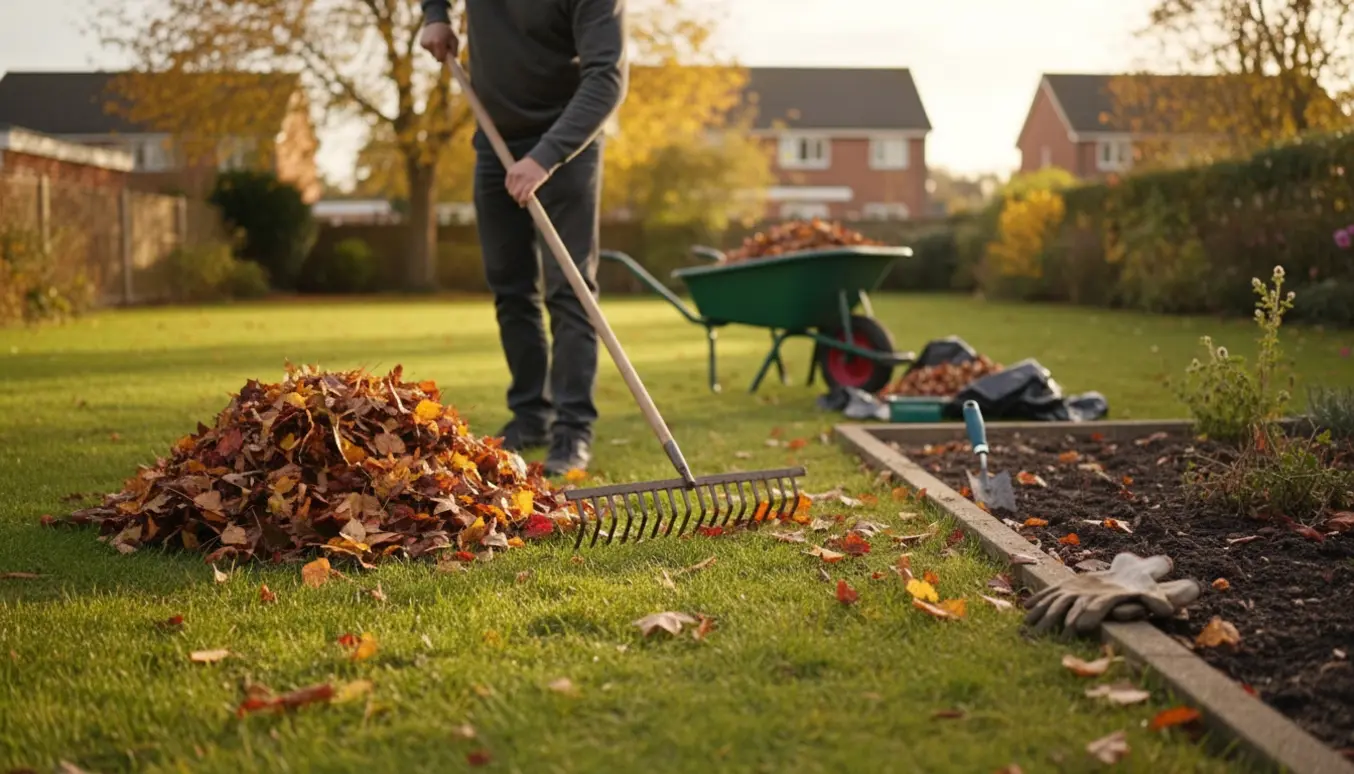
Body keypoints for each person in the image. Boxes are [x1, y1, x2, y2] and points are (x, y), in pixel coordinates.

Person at [419, 0, 628, 476]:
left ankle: (573, 431)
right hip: (495, 138)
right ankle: (530, 416)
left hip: (567, 142)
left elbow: (607, 79)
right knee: (510, 286)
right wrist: (435, 15)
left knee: (570, 288)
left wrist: (544, 158)